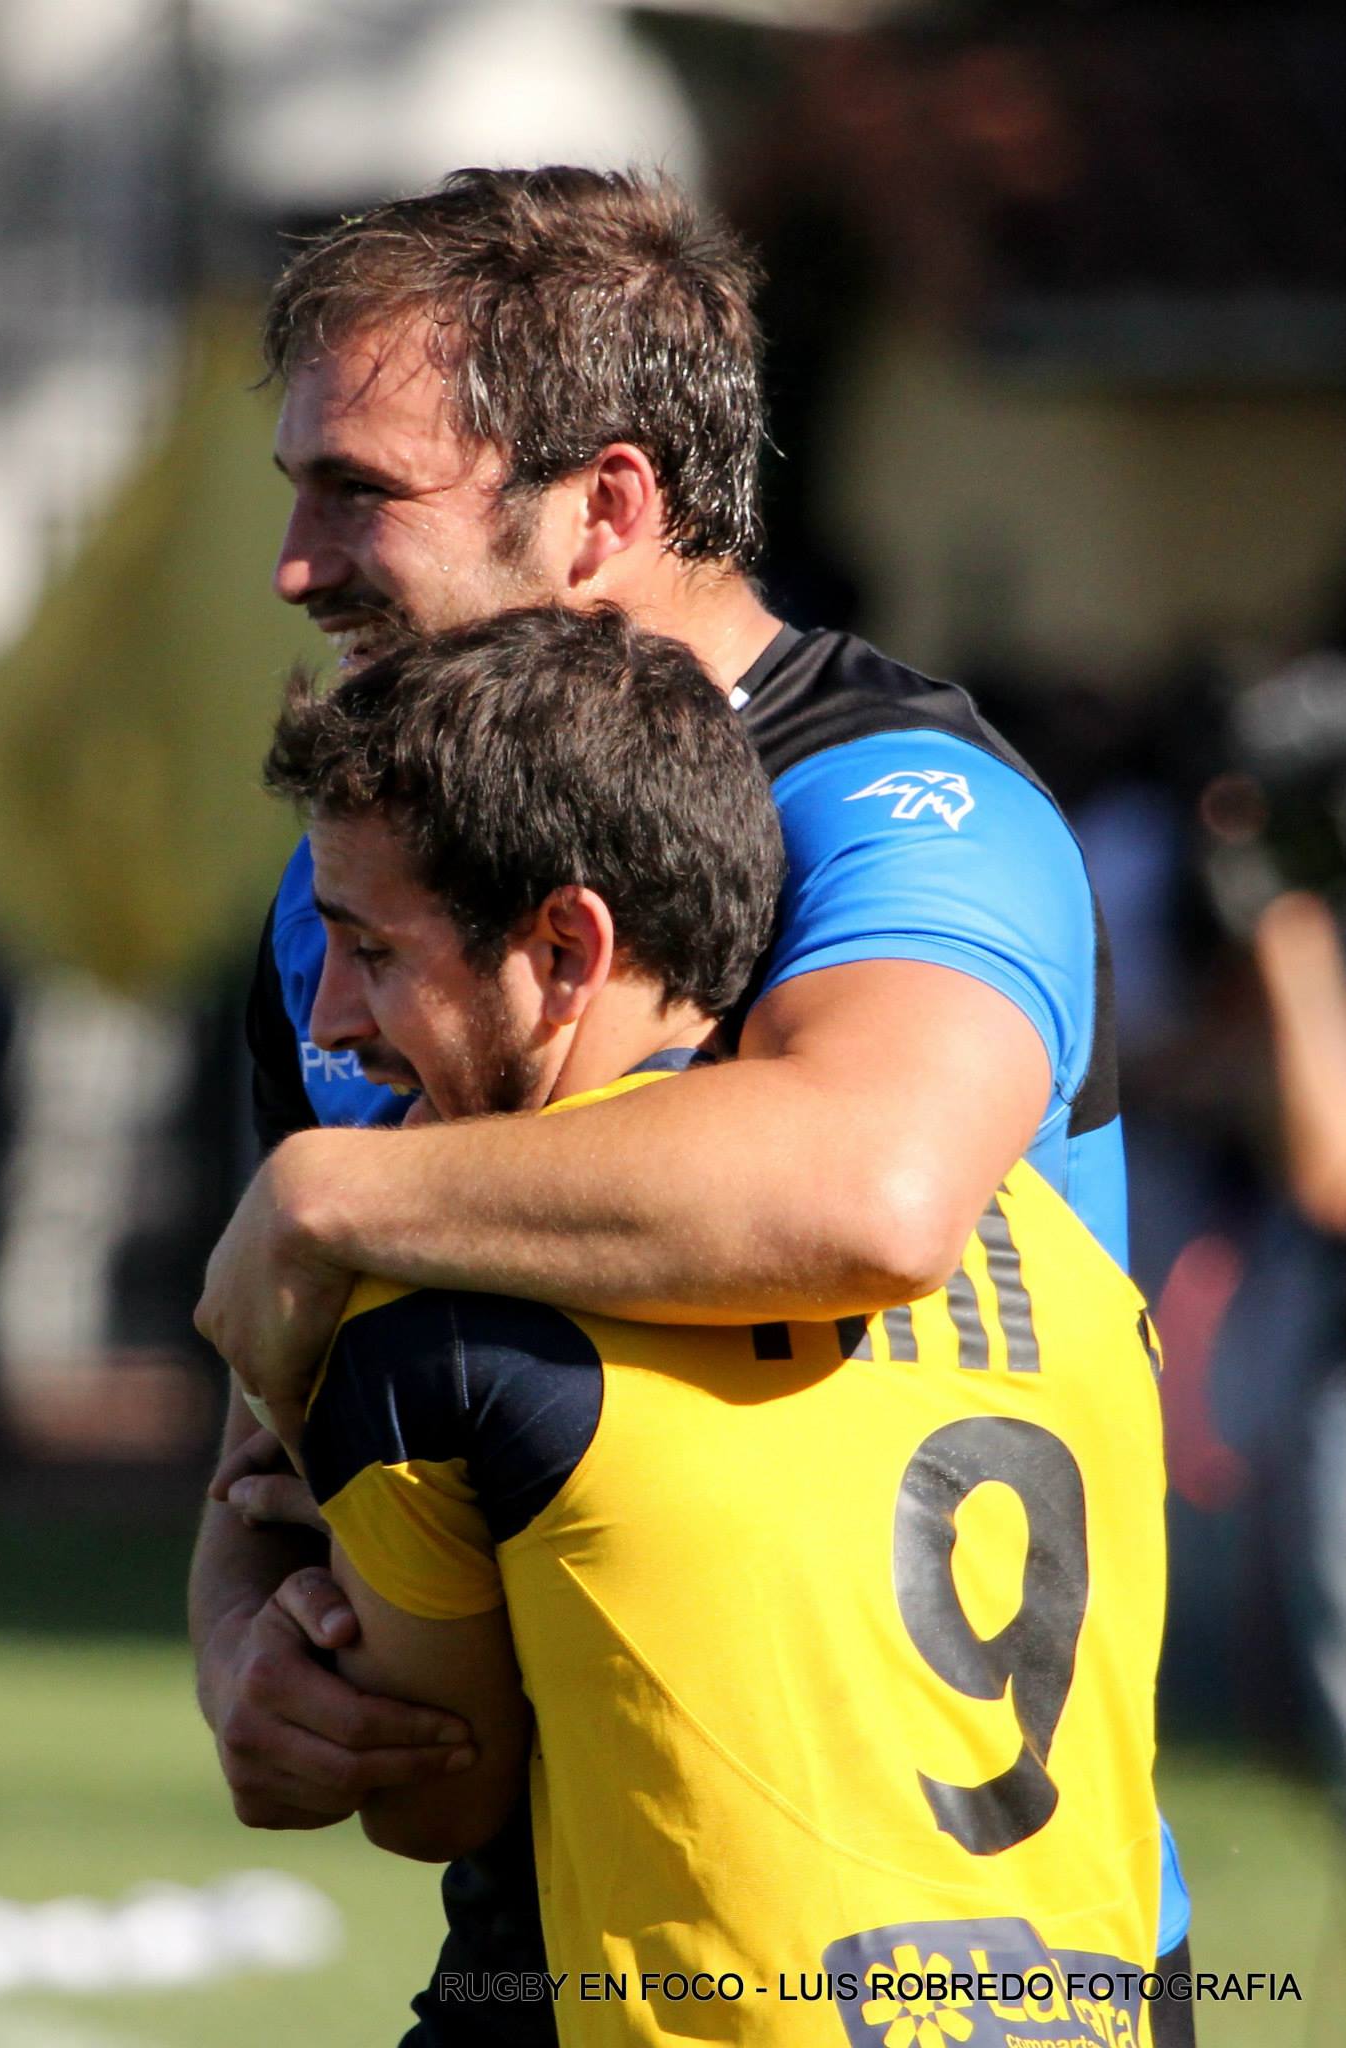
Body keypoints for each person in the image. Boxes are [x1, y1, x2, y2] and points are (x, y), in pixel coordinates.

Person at [187, 166, 1193, 2040]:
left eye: (362, 490)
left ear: (610, 509)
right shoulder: (368, 879)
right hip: (556, 1933)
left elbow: (875, 1185)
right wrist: (242, 1621)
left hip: (970, 1973)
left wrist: (328, 1195)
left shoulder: (904, 803)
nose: (298, 564)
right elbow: (298, 1361)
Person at [265, 602, 1167, 2047]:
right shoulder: (1072, 1262)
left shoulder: (434, 1322)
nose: (336, 1014)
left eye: (370, 950)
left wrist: (309, 1598)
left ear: (569, 947)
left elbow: (429, 1795)